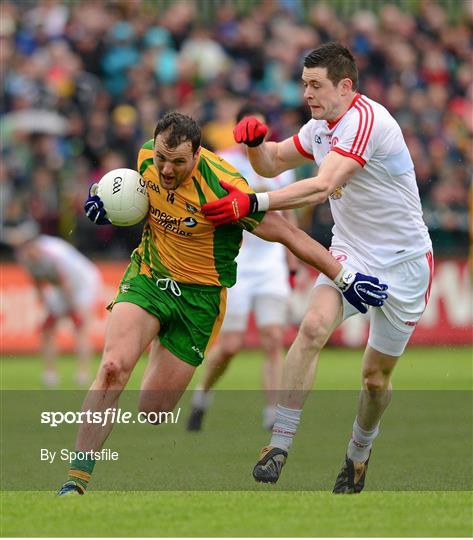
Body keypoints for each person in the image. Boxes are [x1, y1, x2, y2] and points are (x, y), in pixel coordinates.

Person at [57, 111, 387, 496]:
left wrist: (344, 277)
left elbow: (285, 232)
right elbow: (128, 194)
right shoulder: (146, 158)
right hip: (149, 277)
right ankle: (75, 481)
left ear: (197, 155)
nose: (166, 169)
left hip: (200, 300)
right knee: (113, 368)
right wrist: (100, 200)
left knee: (153, 410)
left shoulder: (225, 188)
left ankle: (160, 339)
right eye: (163, 157)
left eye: (178, 162)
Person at [202, 42, 433, 494]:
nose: (306, 93)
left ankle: (358, 453)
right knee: (311, 327)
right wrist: (252, 146)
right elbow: (272, 161)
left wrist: (254, 201)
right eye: (304, 84)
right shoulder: (320, 126)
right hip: (350, 253)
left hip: (406, 265)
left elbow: (322, 185)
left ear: (345, 87)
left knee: (374, 378)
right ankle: (279, 444)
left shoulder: (367, 121)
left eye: (316, 85)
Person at [187, 104, 299, 432]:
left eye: (261, 129)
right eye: (251, 128)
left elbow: (288, 216)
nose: (257, 136)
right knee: (231, 346)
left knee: (273, 337)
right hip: (236, 262)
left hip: (270, 263)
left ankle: (271, 414)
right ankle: (202, 395)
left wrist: (292, 264)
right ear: (239, 131)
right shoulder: (222, 163)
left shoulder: (280, 166)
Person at [3, 221, 102, 386]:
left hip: (83, 283)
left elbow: (67, 284)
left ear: (33, 242)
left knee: (81, 327)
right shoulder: (23, 257)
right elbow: (37, 280)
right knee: (47, 329)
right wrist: (46, 305)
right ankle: (50, 373)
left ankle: (83, 373)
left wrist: (75, 311)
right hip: (61, 287)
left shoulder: (53, 254)